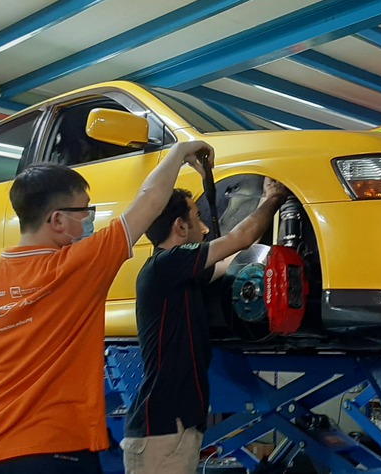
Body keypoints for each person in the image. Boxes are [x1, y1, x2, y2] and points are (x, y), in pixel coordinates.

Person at [0, 140, 214, 474]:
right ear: (58, 220)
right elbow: (150, 200)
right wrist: (178, 153)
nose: (90, 220)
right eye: (85, 212)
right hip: (59, 454)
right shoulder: (79, 265)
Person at [121, 177, 288, 474]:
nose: (206, 228)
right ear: (180, 227)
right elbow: (239, 238)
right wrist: (272, 199)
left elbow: (234, 256)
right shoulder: (165, 265)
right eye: (198, 218)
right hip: (162, 432)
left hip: (174, 430)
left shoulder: (181, 273)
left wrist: (265, 214)